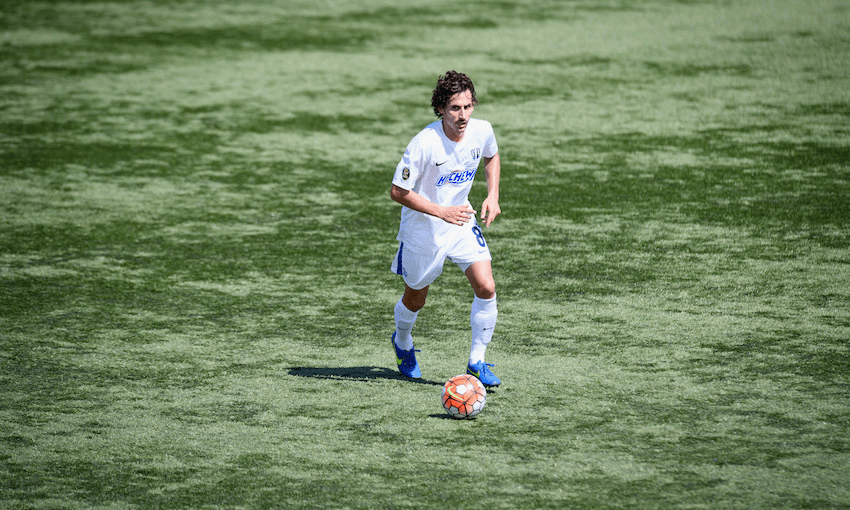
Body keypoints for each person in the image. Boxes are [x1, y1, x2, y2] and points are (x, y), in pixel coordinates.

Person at [389, 70, 502, 387]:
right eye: (455, 108)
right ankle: (402, 341)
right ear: (440, 108)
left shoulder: (482, 131)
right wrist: (441, 211)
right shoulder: (425, 143)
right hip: (423, 232)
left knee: (487, 287)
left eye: (468, 106)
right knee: (416, 299)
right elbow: (398, 191)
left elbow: (491, 156)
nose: (463, 115)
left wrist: (492, 195)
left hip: (462, 222)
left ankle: (476, 363)